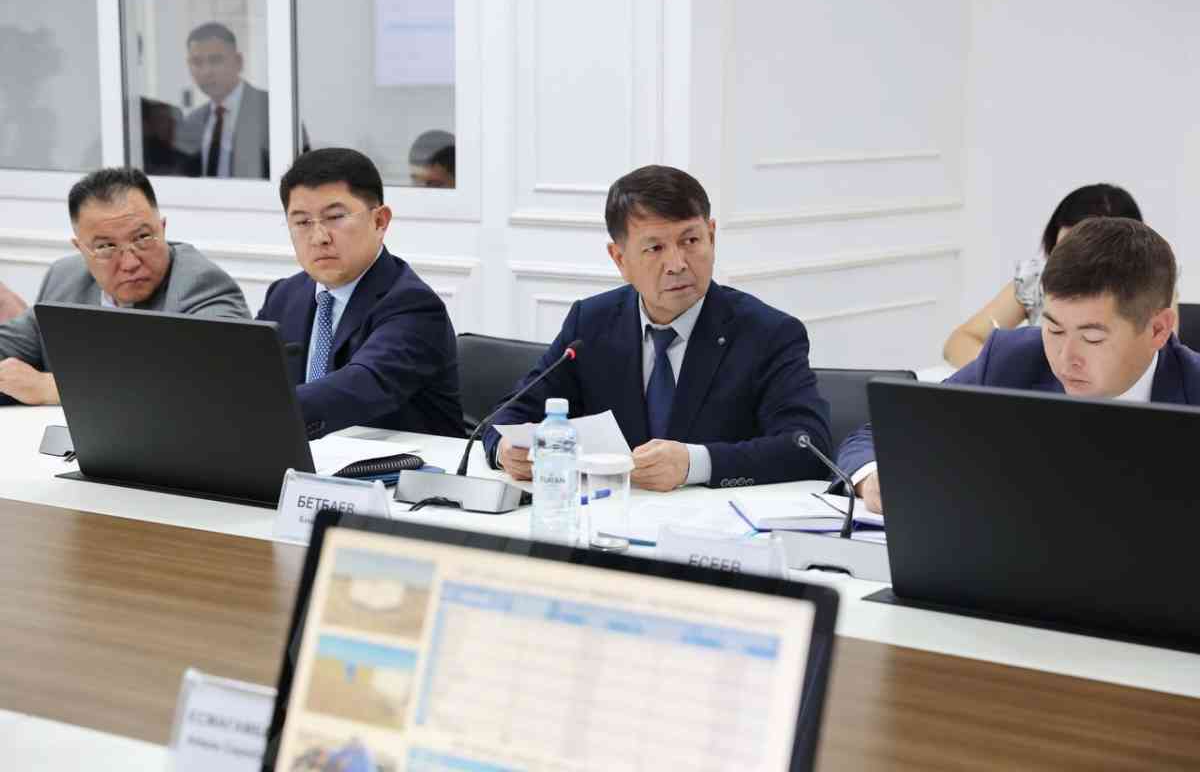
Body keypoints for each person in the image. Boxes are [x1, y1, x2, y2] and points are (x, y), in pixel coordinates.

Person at [482, 164, 832, 492]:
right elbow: (508, 416)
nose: (677, 264)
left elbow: (808, 447)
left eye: (690, 241)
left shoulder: (768, 333)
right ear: (620, 259)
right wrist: (505, 450)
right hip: (606, 517)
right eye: (655, 248)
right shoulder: (590, 322)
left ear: (711, 237)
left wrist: (695, 464)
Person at [843, 216, 1196, 514]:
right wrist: (874, 479)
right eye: (1054, 329)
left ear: (1158, 329)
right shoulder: (1012, 361)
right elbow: (877, 437)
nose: (1065, 357)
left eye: (1091, 338)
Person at [258, 147, 463, 439]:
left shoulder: (413, 305)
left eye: (335, 217)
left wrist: (258, 412)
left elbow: (362, 384)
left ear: (380, 221)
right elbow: (245, 372)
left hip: (403, 466)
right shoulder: (284, 295)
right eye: (302, 222)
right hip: (303, 460)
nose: (319, 237)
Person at [0, 167, 249, 405]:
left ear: (162, 229)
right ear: (81, 249)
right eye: (106, 247)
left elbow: (220, 379)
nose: (130, 263)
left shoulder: (201, 284)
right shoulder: (65, 278)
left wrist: (54, 388)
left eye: (142, 238)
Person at [943, 183, 1142, 368]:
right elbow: (960, 341)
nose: (1074, 265)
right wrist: (999, 370)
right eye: (1065, 250)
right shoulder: (1037, 279)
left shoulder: (1147, 290)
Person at [177, 22, 270, 179]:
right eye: (197, 62)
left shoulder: (270, 110)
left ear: (238, 62)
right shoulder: (193, 121)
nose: (206, 71)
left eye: (215, 60)